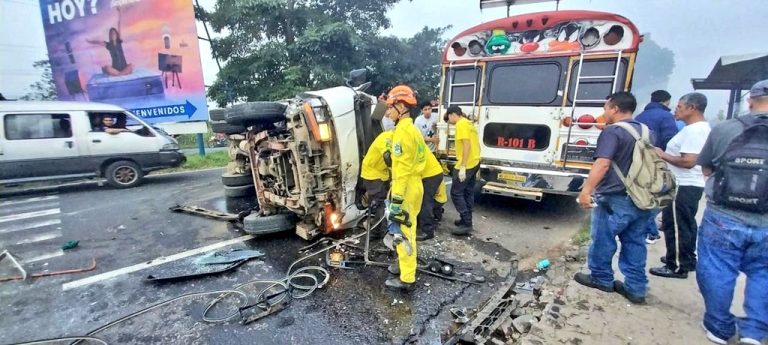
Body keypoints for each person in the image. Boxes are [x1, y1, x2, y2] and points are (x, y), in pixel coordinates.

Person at [695, 80, 768, 345]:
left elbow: (706, 169)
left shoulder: (725, 128)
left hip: (725, 216)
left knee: (717, 269)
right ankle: (755, 332)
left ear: (751, 99)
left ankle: (718, 327)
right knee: (764, 273)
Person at [574, 92, 654, 305]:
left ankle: (601, 278)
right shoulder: (646, 131)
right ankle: (636, 288)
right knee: (635, 242)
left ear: (615, 108)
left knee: (603, 238)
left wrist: (586, 190)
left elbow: (603, 163)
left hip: (614, 196)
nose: (604, 112)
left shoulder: (613, 132)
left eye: (606, 107)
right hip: (642, 196)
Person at [648, 93, 711, 279]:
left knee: (675, 225)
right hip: (688, 184)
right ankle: (686, 259)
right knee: (685, 224)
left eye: (680, 106)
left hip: (684, 185)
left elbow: (689, 161)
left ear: (692, 108)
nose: (676, 109)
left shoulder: (695, 131)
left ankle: (675, 265)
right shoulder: (696, 128)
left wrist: (662, 154)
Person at [384, 85, 426, 290]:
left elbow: (401, 170)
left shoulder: (401, 132)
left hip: (406, 188)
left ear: (401, 106)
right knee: (408, 229)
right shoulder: (414, 130)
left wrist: (397, 200)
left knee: (403, 233)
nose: (388, 112)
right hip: (415, 185)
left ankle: (407, 278)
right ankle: (403, 265)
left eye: (390, 107)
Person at [635, 90, 679, 244]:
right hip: (656, 164)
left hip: (640, 163)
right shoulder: (666, 116)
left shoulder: (640, 116)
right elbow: (671, 141)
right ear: (665, 102)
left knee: (643, 196)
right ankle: (651, 232)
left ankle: (649, 230)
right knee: (656, 198)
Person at [444, 106, 481, 236]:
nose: (450, 121)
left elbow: (466, 144)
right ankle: (466, 220)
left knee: (456, 192)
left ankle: (466, 223)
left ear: (453, 114)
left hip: (468, 163)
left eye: (449, 118)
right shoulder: (468, 123)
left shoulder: (461, 124)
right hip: (475, 161)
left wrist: (463, 166)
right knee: (468, 192)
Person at [359, 117, 395, 239]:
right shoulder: (387, 137)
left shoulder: (396, 139)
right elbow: (388, 157)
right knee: (382, 204)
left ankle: (378, 228)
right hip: (372, 174)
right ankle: (377, 232)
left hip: (381, 173)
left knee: (384, 201)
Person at [86, 7, 133, 76]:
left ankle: (119, 74)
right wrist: (90, 41)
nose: (113, 34)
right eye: (111, 33)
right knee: (107, 68)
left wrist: (119, 13)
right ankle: (121, 74)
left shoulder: (119, 42)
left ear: (117, 34)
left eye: (114, 33)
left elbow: (119, 24)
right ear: (110, 36)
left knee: (131, 65)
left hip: (124, 66)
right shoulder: (108, 45)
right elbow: (98, 42)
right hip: (115, 68)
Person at [416, 150, 444, 241]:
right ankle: (424, 224)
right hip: (433, 172)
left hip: (431, 175)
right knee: (423, 201)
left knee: (425, 202)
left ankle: (427, 231)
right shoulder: (415, 140)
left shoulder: (406, 143)